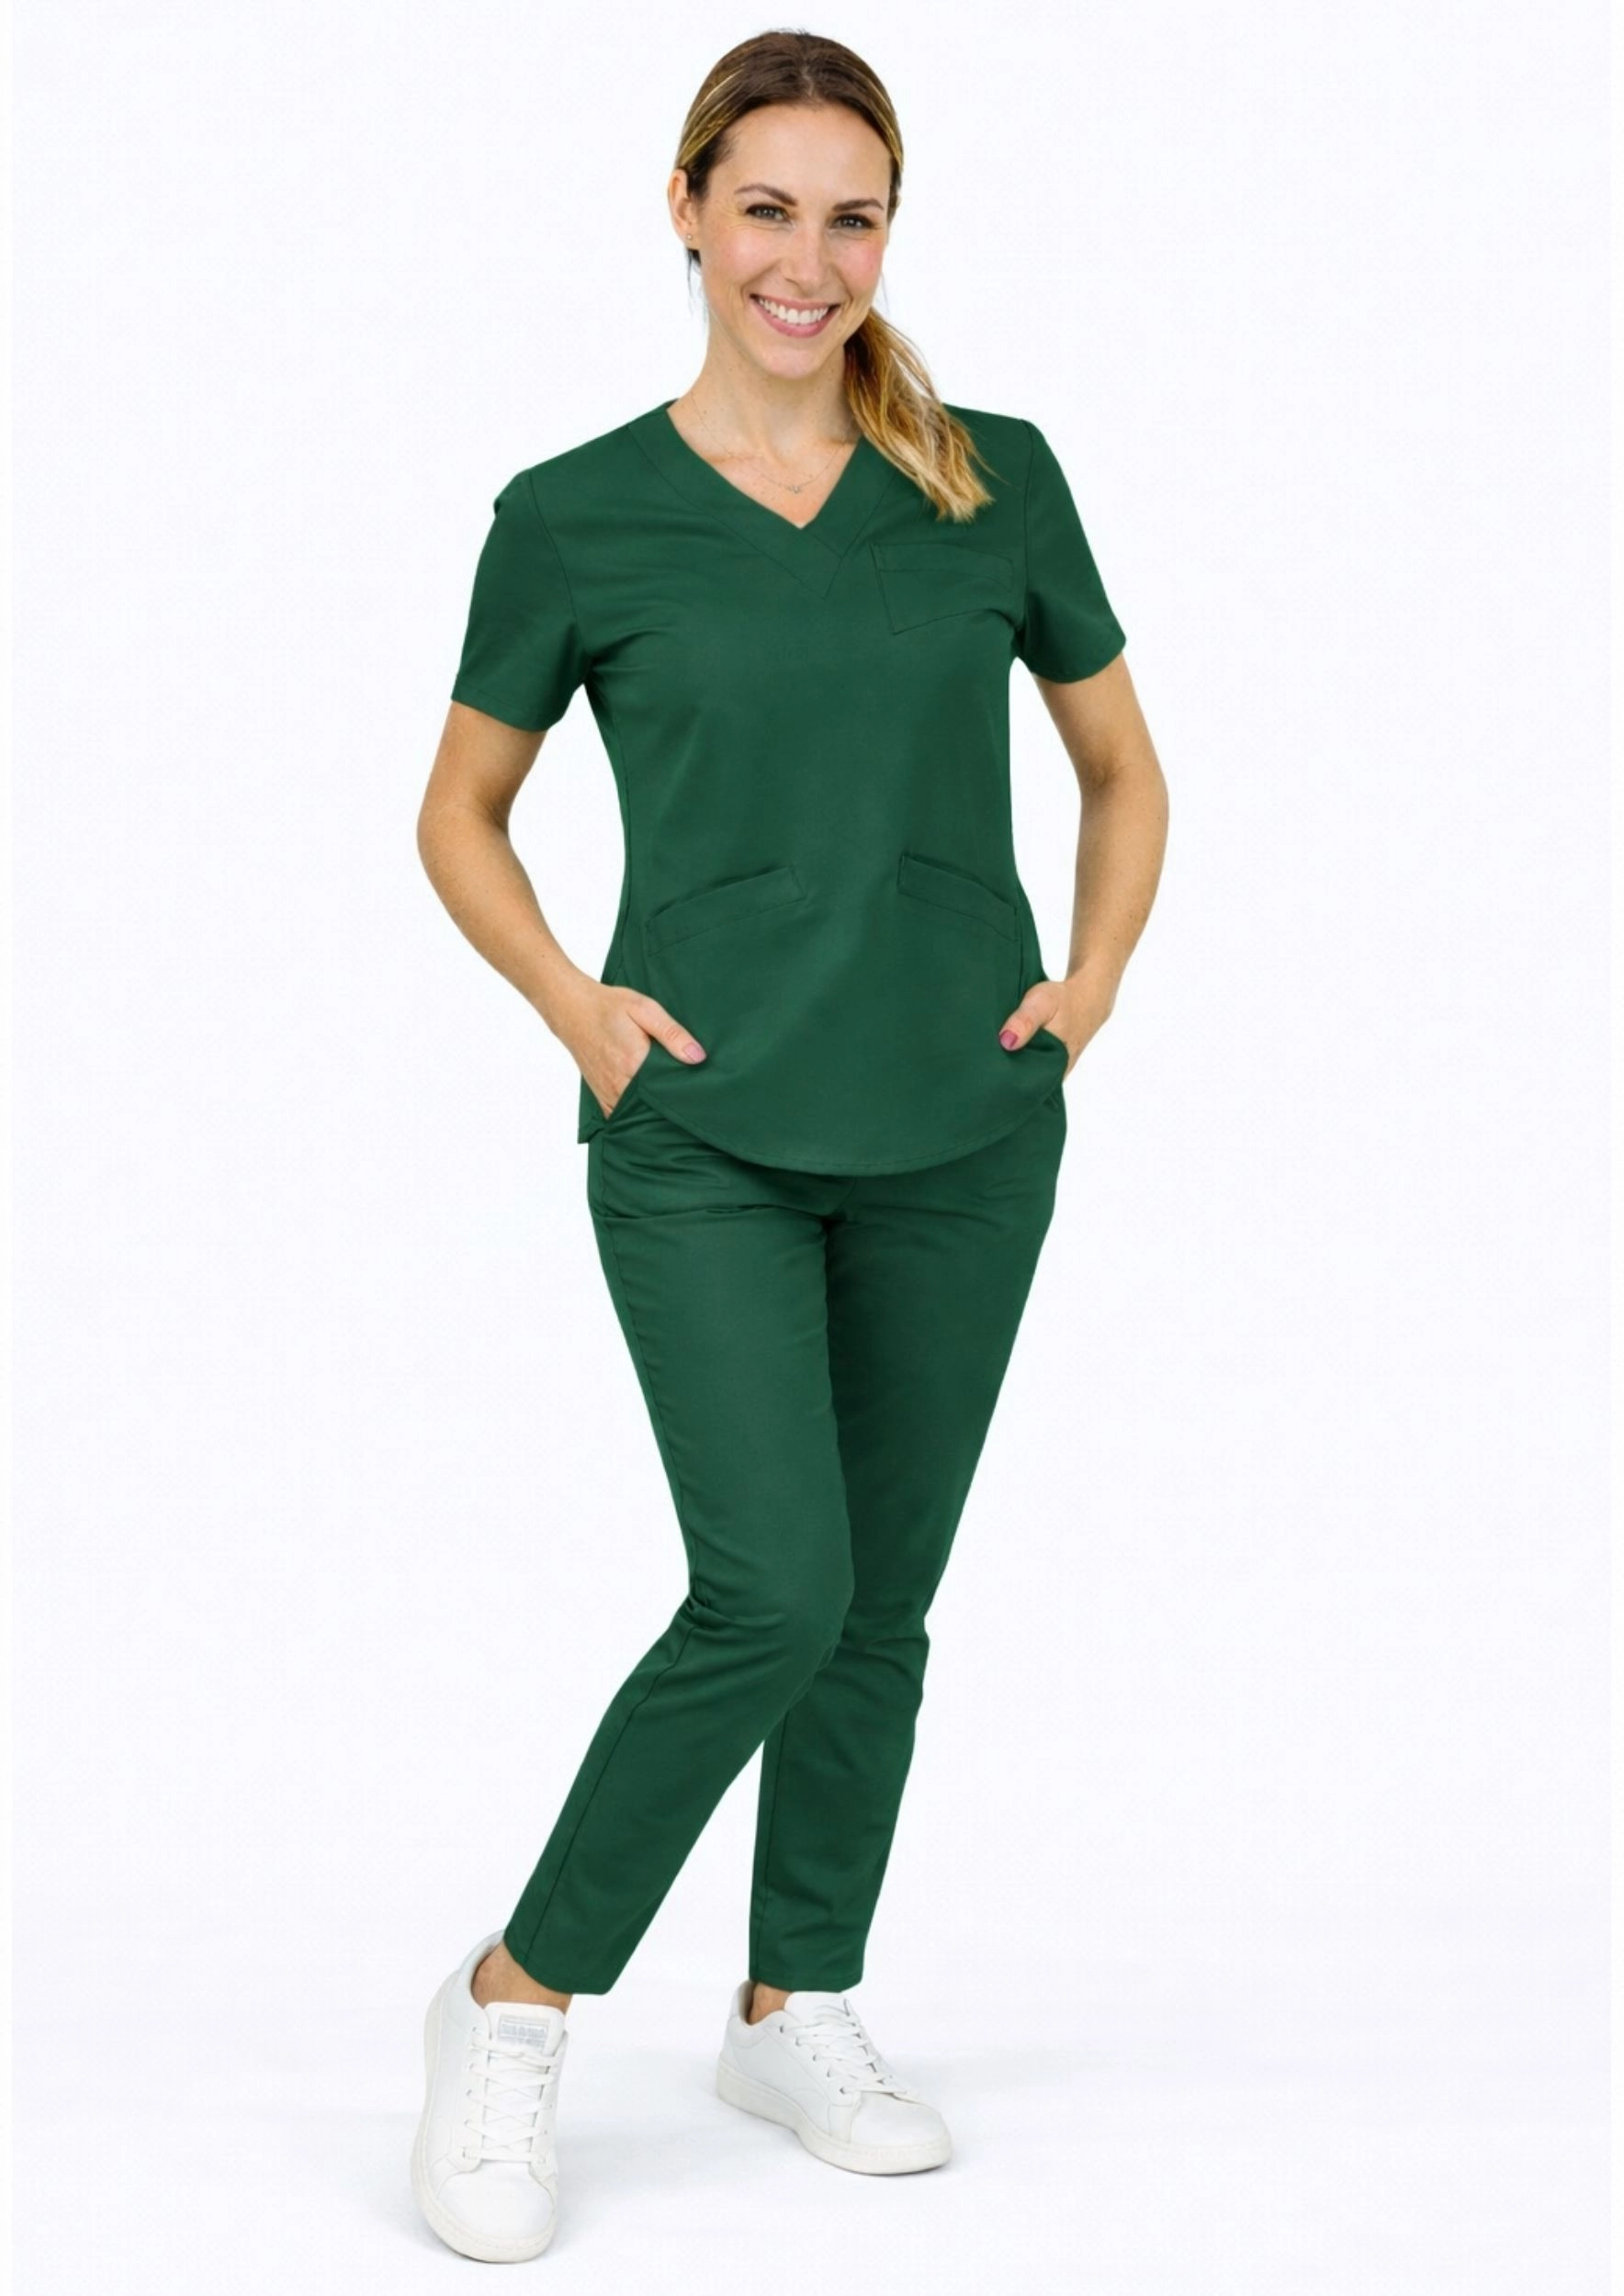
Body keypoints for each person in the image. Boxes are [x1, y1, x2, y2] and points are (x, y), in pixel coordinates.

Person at [410, 28, 1167, 2265]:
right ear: (684, 211)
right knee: (773, 1585)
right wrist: (579, 1008)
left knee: (879, 1602)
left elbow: (1121, 768)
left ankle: (790, 1997)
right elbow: (457, 812)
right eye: (765, 209)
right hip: (704, 1132)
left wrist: (1085, 985)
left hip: (961, 1125)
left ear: (886, 234)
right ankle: (513, 1994)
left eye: (851, 218)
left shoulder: (991, 482)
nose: (806, 261)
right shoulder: (575, 515)